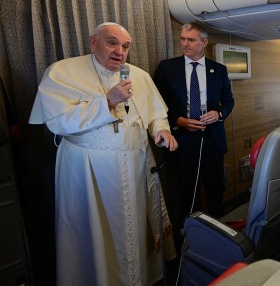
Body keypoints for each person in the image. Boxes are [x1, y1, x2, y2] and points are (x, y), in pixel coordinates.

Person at [29, 22, 178, 285]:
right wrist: (107, 101)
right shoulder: (63, 72)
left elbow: (156, 115)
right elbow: (58, 123)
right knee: (97, 236)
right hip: (88, 172)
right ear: (92, 41)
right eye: (112, 43)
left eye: (125, 46)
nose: (120, 51)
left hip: (135, 167)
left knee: (134, 231)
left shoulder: (139, 76)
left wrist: (161, 131)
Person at [154, 21, 234, 220]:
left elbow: (228, 101)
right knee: (188, 189)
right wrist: (179, 120)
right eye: (183, 39)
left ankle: (219, 227)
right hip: (183, 139)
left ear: (204, 42)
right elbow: (158, 103)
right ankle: (190, 232)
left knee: (216, 186)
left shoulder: (219, 70)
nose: (185, 44)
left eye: (191, 39)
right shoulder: (167, 68)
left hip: (212, 138)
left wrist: (219, 114)